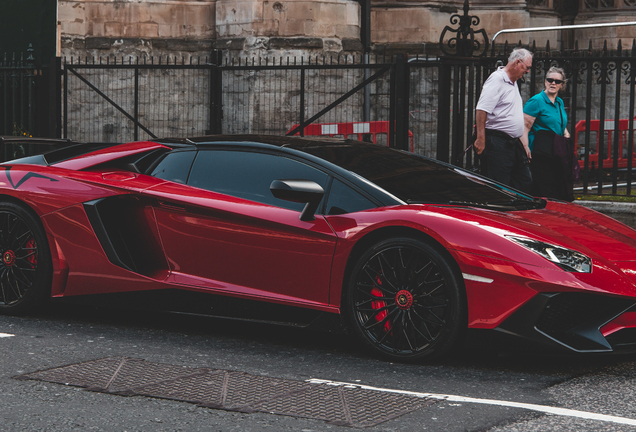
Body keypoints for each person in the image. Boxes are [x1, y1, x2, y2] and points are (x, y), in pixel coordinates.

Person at [474, 48, 533, 193]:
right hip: (498, 142)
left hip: (512, 143)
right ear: (517, 63)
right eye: (527, 68)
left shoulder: (512, 82)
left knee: (524, 181)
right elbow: (482, 109)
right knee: (499, 184)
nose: (527, 72)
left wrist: (523, 144)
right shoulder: (497, 79)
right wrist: (480, 138)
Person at [522, 67, 575, 201]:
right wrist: (525, 147)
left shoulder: (559, 102)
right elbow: (524, 126)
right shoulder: (536, 101)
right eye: (550, 80)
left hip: (556, 151)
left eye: (557, 81)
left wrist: (566, 137)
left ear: (562, 85)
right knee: (545, 189)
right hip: (540, 152)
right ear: (545, 82)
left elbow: (560, 123)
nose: (553, 83)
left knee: (558, 187)